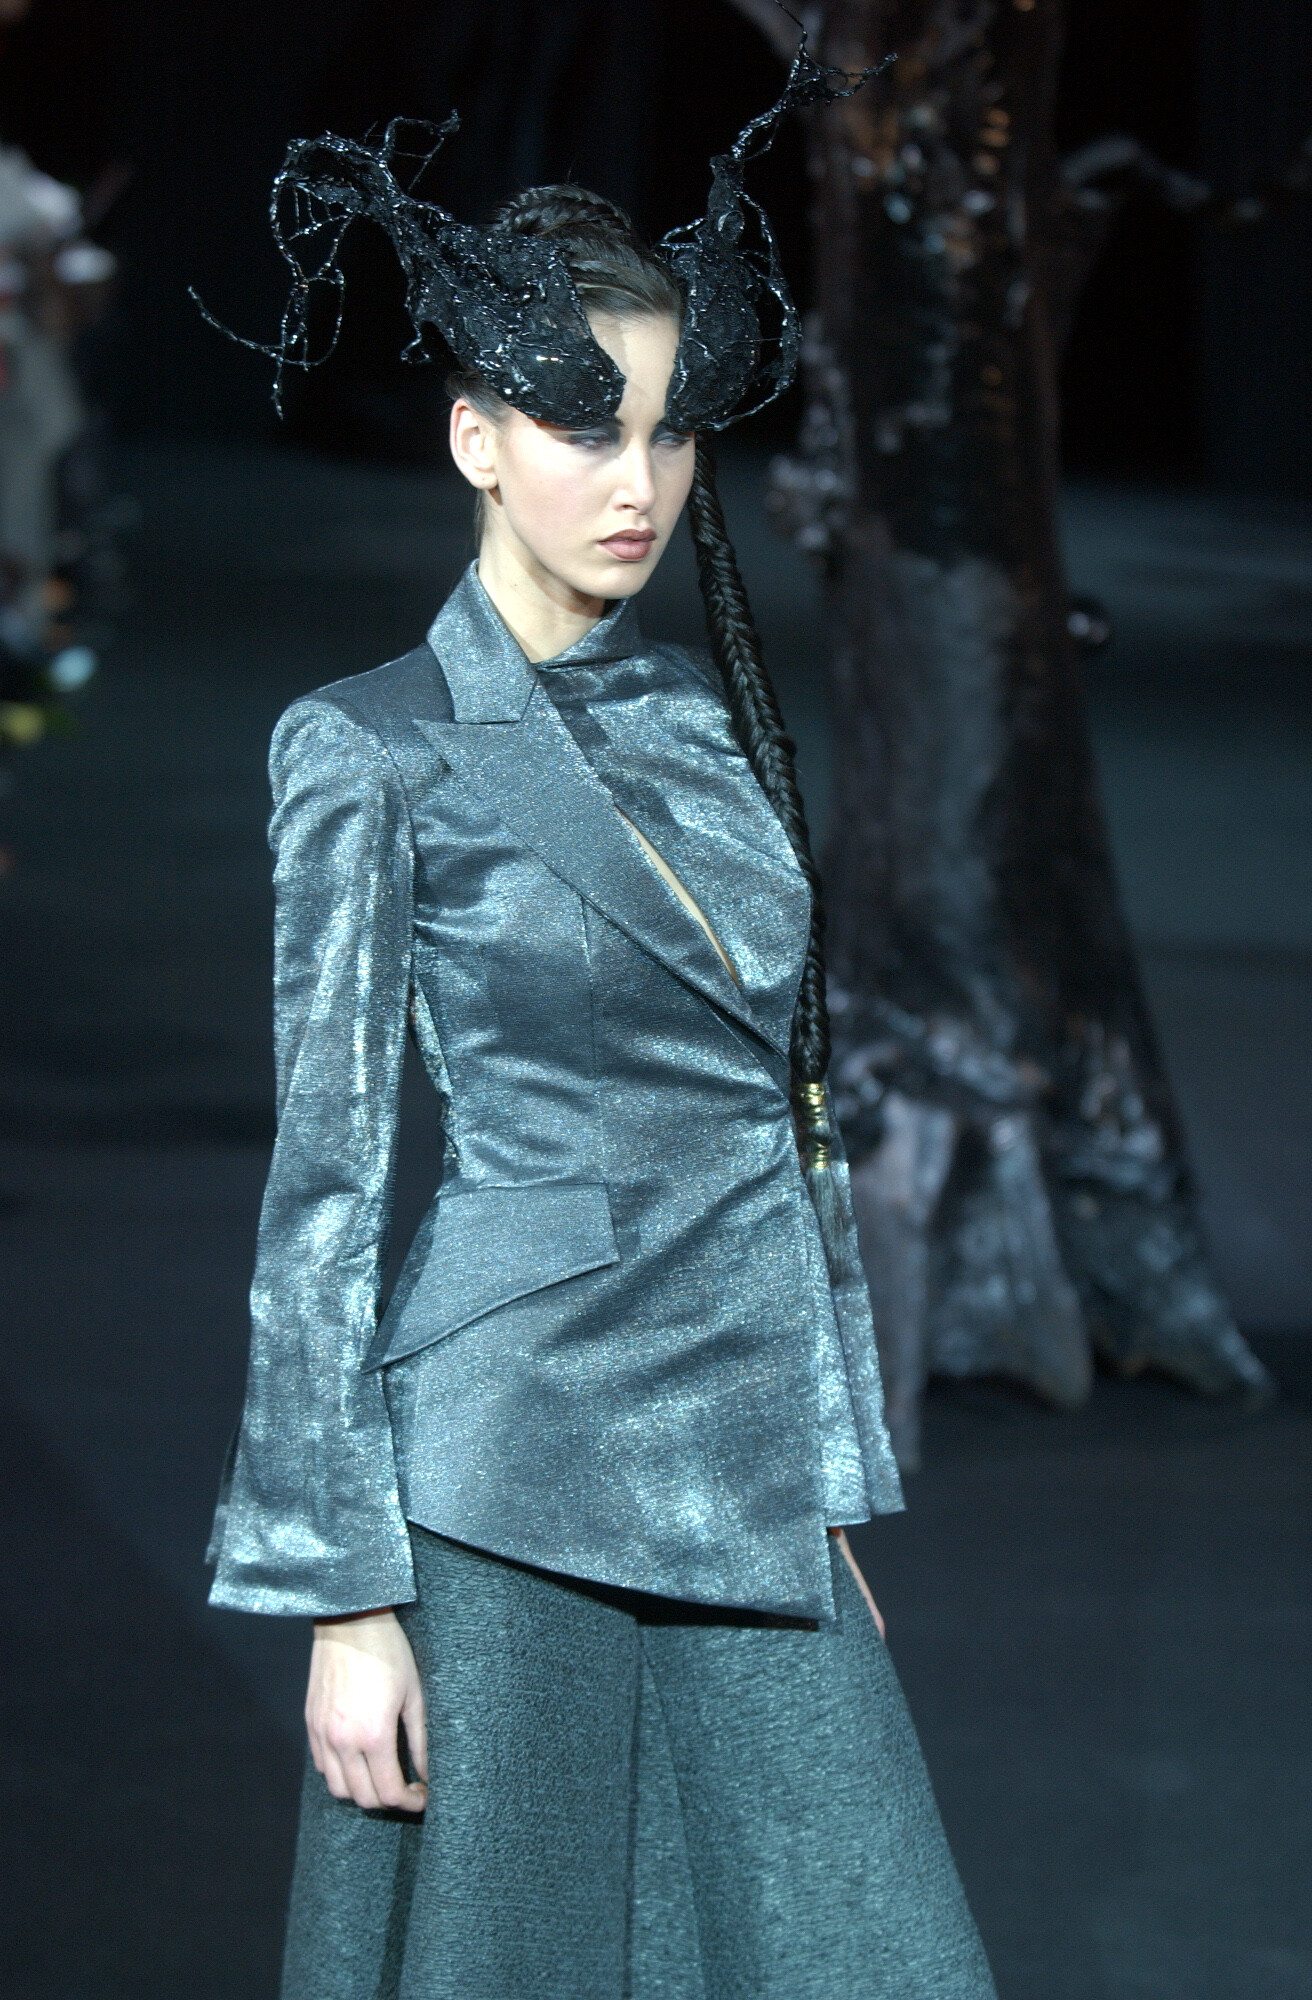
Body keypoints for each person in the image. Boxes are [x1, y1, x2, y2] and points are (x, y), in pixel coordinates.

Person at [206, 38, 999, 2000]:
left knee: (858, 1950)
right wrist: (340, 1597)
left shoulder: (703, 718)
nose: (635, 482)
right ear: (476, 439)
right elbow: (325, 1187)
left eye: (667, 429)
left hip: (737, 1470)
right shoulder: (370, 748)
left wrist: (821, 1475)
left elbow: (781, 1118)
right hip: (505, 1477)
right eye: (580, 428)